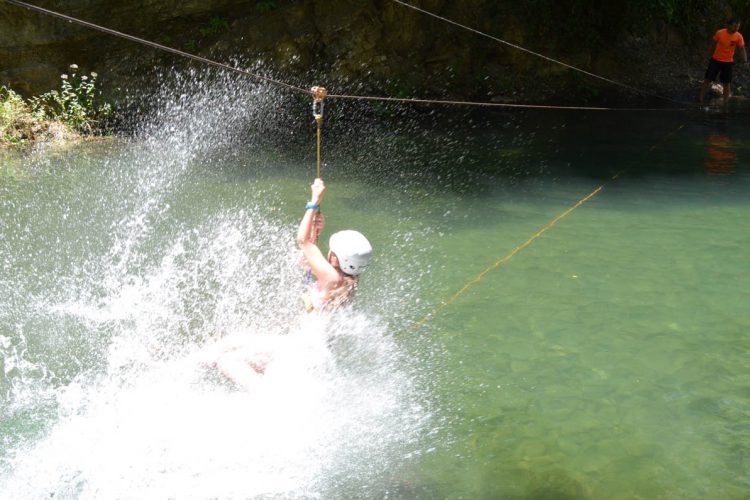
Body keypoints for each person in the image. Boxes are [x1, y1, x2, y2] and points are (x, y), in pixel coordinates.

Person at [201, 177, 373, 390]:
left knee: (228, 360)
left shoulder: (332, 278)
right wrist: (315, 231)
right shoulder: (343, 281)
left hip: (300, 352)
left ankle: (267, 400)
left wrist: (314, 201)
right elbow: (307, 261)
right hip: (303, 349)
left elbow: (302, 241)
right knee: (232, 341)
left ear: (336, 259)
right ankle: (180, 367)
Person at [699, 19, 748, 105]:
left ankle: (725, 103)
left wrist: (745, 61)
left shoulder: (738, 36)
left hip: (728, 62)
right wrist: (706, 57)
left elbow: (742, 49)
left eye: (738, 27)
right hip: (715, 60)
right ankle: (700, 98)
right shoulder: (720, 33)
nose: (736, 28)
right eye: (734, 26)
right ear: (728, 25)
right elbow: (712, 45)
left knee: (726, 83)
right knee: (708, 79)